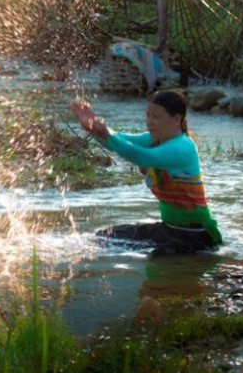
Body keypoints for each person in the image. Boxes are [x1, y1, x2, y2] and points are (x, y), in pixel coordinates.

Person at [70, 90, 222, 254]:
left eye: (156, 117)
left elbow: (142, 156)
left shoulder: (183, 147)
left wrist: (104, 133)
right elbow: (121, 138)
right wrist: (92, 127)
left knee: (158, 272)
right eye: (148, 115)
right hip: (170, 229)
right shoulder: (153, 139)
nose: (149, 122)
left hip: (195, 235)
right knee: (103, 237)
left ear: (177, 119)